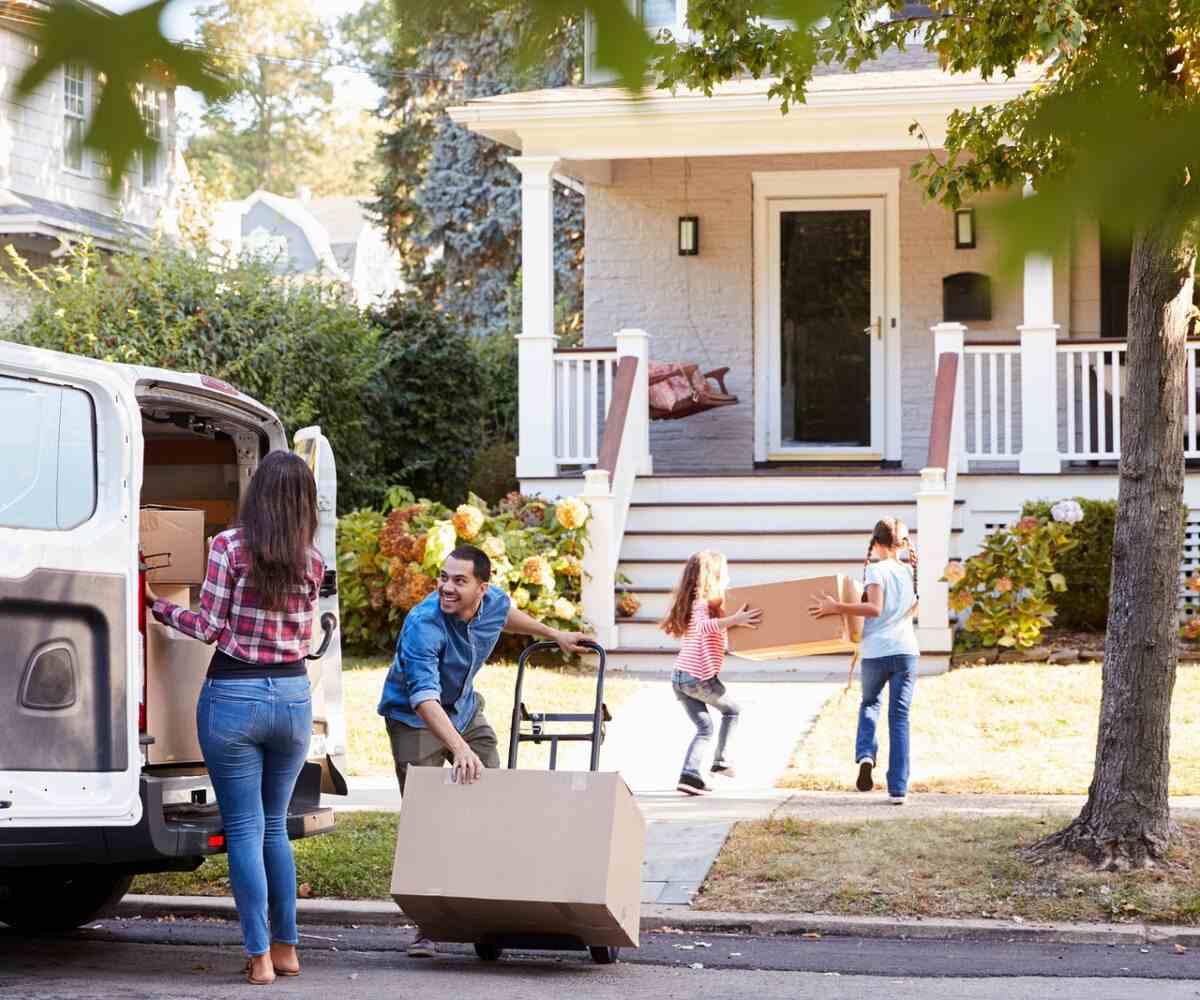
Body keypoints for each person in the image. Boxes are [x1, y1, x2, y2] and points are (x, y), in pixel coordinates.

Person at [145, 450, 324, 985]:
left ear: (258, 495)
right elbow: (307, 635)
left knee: (244, 828)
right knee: (275, 830)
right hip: (293, 698)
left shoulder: (228, 547)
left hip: (234, 697)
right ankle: (287, 948)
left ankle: (258, 958)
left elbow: (206, 626)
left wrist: (157, 604)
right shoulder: (311, 560)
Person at [378, 544, 587, 957]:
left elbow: (506, 616)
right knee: (428, 819)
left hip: (464, 709)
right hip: (414, 719)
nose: (447, 587)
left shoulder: (492, 602)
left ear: (481, 587)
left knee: (492, 799)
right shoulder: (424, 623)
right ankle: (428, 926)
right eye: (444, 577)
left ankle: (488, 907)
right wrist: (458, 749)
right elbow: (423, 698)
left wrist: (554, 634)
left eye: (459, 580)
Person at [810, 517, 919, 805]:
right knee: (900, 718)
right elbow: (913, 606)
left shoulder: (875, 570)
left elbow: (873, 608)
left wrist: (837, 607)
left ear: (876, 542)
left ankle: (866, 756)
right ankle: (898, 789)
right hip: (906, 651)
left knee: (870, 703)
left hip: (876, 652)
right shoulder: (909, 571)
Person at [659, 550, 761, 796]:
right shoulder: (701, 604)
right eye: (724, 573)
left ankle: (690, 776)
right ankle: (722, 761)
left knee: (704, 729)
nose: (727, 578)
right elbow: (705, 628)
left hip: (681, 678)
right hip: (697, 678)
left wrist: (732, 619)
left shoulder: (696, 604)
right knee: (732, 710)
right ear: (713, 576)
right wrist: (735, 619)